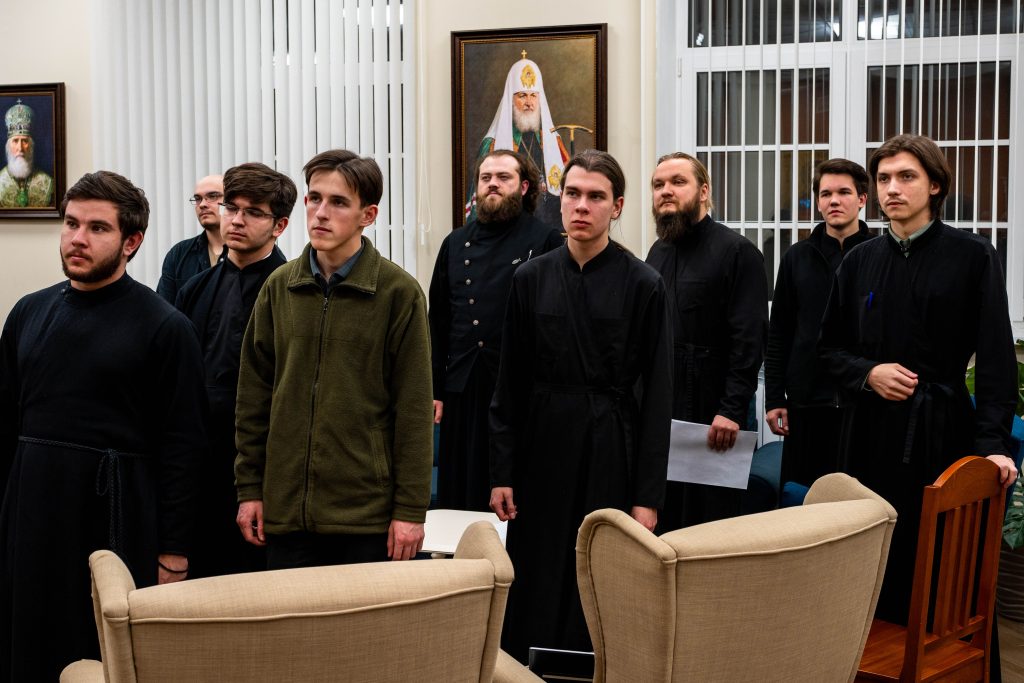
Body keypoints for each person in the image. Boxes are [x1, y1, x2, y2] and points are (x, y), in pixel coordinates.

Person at [0, 171, 207, 681]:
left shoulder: (166, 327)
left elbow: (184, 448)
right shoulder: (29, 312)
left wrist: (174, 553)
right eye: (71, 223)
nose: (78, 238)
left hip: (114, 516)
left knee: (97, 655)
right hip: (30, 510)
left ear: (131, 241)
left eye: (97, 228)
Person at [819, 134, 1019, 625]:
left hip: (942, 435)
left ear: (934, 185)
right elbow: (826, 350)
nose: (892, 188)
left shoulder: (974, 255)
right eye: (883, 178)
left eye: (906, 176)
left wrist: (993, 446)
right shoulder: (859, 261)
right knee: (871, 567)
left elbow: (996, 359)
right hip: (868, 438)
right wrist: (869, 373)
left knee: (945, 572)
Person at [490, 149, 672, 662]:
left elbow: (658, 397)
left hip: (611, 444)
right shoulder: (529, 278)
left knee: (598, 570)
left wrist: (648, 497)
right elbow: (508, 385)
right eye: (572, 194)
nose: (582, 206)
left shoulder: (644, 283)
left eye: (595, 196)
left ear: (617, 206)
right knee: (538, 565)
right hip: (540, 447)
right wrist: (501, 472)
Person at [234, 149, 432, 569]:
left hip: (365, 517)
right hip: (286, 513)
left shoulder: (398, 293)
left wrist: (410, 511)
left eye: (339, 202)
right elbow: (253, 399)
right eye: (314, 198)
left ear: (368, 215)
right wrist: (249, 488)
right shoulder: (278, 287)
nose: (321, 213)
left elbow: (413, 411)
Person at [175, 162, 296, 577]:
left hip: (268, 464)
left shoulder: (294, 291)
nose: (236, 220)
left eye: (253, 212)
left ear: (279, 225)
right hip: (202, 462)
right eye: (231, 208)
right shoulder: (194, 290)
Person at [429, 149, 562, 511]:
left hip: (521, 388)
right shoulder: (455, 242)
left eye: (503, 177)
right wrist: (436, 389)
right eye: (485, 178)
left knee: (516, 494)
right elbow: (437, 321)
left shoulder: (546, 240)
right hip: (463, 386)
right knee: (462, 494)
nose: (492, 184)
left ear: (524, 187)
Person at [645, 152, 768, 528]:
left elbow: (749, 340)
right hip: (667, 403)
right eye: (658, 185)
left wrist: (731, 409)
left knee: (713, 519)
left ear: (703, 191)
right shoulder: (657, 252)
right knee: (664, 512)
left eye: (678, 182)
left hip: (716, 407)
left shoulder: (738, 251)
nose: (666, 191)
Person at [764, 159, 875, 490]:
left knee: (859, 499)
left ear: (862, 199)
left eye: (844, 192)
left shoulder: (878, 256)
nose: (834, 201)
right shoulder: (796, 257)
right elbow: (779, 332)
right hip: (807, 402)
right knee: (803, 497)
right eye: (826, 194)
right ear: (817, 201)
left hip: (863, 403)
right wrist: (774, 398)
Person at [467, 54, 569, 229]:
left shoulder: (553, 141)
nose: (529, 103)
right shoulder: (491, 144)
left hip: (548, 228)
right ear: (511, 100)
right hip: (507, 228)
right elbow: (481, 203)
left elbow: (568, 189)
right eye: (522, 96)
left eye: (533, 96)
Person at [156, 174, 226, 303]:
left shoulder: (244, 252)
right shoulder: (179, 254)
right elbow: (164, 308)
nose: (202, 204)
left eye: (212, 196)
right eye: (198, 199)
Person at [0, 99, 54, 208]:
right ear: (8, 146)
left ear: (31, 145)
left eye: (24, 141)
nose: (20, 148)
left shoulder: (47, 182)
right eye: (15, 141)